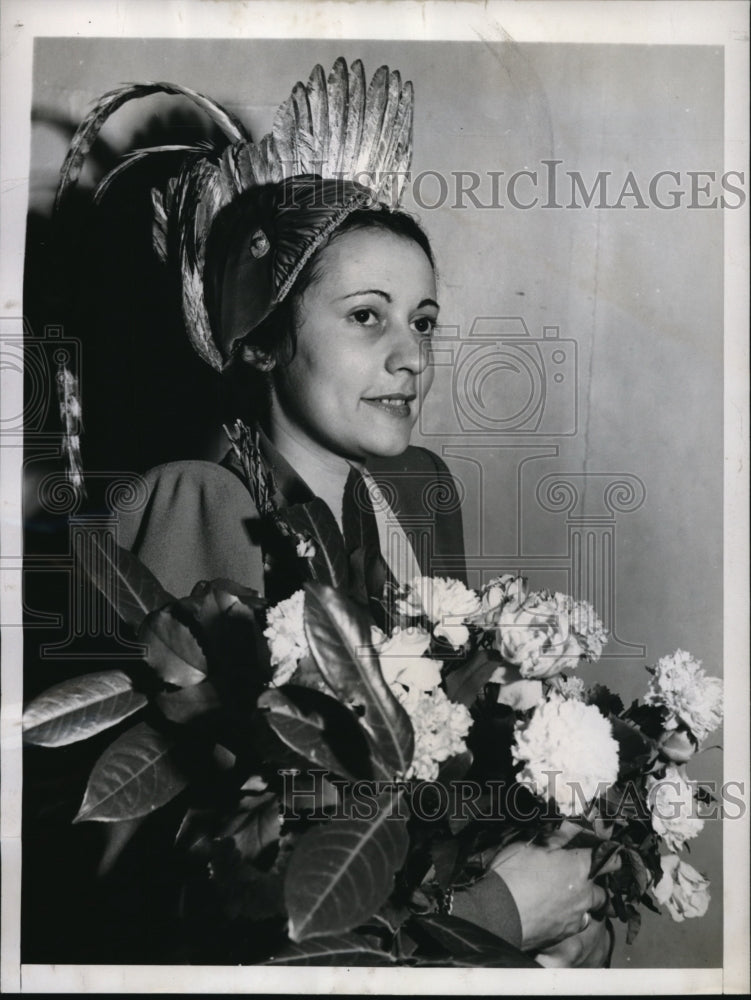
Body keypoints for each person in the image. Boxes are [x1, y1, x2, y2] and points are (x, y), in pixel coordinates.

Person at [58, 59, 616, 966]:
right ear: (266, 337)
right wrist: (497, 917)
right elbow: (168, 899)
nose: (412, 358)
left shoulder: (419, 491)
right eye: (366, 317)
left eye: (423, 320)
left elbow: (449, 773)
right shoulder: (197, 501)